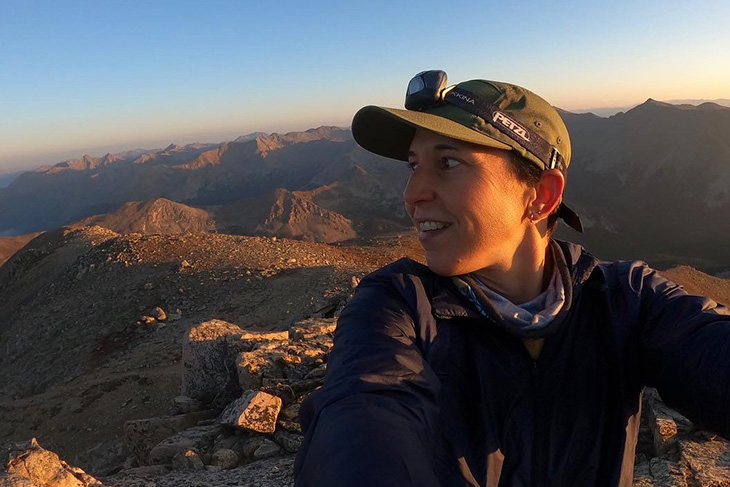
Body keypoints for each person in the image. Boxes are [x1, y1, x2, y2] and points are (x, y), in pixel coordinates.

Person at [292, 70, 730, 486]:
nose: (412, 194)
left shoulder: (629, 300)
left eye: (447, 163)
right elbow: (363, 414)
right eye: (413, 165)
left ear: (540, 195)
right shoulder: (398, 308)